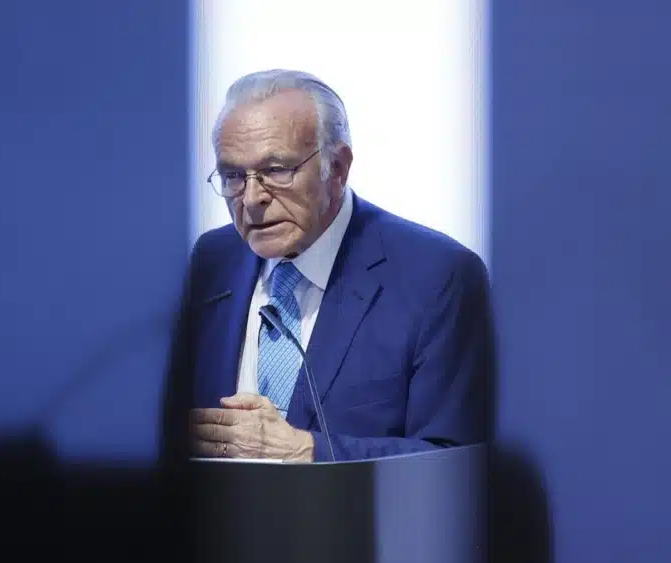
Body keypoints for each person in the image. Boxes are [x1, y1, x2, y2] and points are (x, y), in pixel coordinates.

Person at [180, 69, 494, 463]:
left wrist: (307, 451)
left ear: (338, 167)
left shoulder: (438, 276)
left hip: (359, 506)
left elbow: (455, 460)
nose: (252, 198)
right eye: (233, 176)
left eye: (276, 170)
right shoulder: (212, 260)